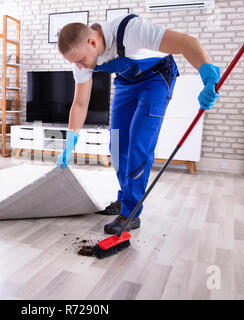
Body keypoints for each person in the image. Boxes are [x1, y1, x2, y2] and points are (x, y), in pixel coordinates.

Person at [56, 14, 220, 234]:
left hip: (157, 78)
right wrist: (70, 142)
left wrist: (207, 75)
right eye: (74, 62)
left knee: (138, 143)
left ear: (92, 42)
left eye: (80, 60)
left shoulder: (131, 31)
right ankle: (124, 199)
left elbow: (186, 43)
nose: (79, 66)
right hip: (127, 82)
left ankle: (130, 212)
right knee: (116, 146)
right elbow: (79, 104)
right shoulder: (83, 58)